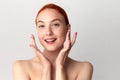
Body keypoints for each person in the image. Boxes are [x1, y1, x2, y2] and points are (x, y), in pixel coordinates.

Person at [13, 3, 93, 80]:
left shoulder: (84, 68)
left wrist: (59, 66)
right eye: (42, 26)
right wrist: (46, 68)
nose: (48, 32)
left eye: (55, 25)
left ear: (68, 28)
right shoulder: (21, 67)